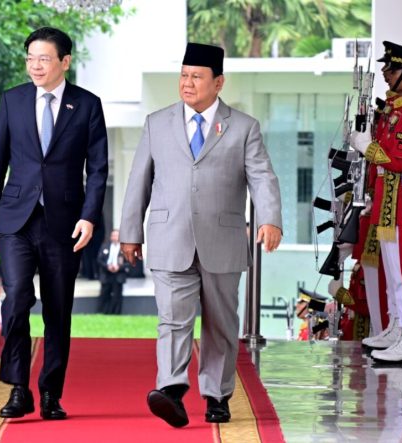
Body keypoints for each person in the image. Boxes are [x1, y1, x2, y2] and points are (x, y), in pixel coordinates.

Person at [119, 42, 282, 428]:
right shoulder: (156, 123)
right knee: (172, 319)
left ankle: (217, 395)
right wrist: (130, 233)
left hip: (222, 241)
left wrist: (270, 219)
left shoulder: (244, 127)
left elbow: (262, 177)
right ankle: (171, 389)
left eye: (196, 76)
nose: (187, 83)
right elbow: (138, 180)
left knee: (220, 323)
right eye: (183, 75)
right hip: (169, 238)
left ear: (218, 82)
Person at [0, 27, 108, 420]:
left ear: (65, 62)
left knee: (58, 309)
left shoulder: (86, 105)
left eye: (44, 58)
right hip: (16, 220)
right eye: (30, 58)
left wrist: (89, 217)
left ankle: (51, 392)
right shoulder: (13, 100)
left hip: (64, 223)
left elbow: (98, 168)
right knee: (17, 300)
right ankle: (19, 390)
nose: (35, 66)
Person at [348, 41, 402, 364]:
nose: (385, 72)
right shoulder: (396, 109)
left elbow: (400, 161)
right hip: (387, 203)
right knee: (393, 271)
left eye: (392, 68)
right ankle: (397, 326)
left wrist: (368, 147)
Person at [97, 229, 127, 314]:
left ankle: (116, 313)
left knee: (117, 296)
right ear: (111, 237)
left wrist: (119, 267)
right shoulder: (105, 246)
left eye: (117, 235)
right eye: (113, 235)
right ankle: (102, 312)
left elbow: (129, 263)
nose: (115, 237)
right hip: (106, 274)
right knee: (104, 294)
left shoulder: (124, 248)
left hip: (119, 275)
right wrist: (107, 266)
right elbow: (99, 259)